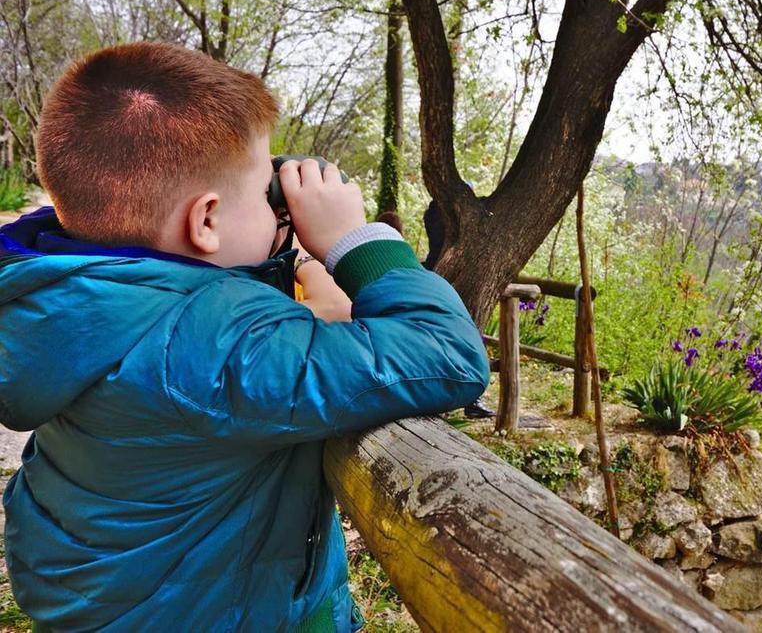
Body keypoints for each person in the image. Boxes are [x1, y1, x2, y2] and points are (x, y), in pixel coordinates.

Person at [0, 42, 490, 632]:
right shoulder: (216, 344)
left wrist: (286, 254)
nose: (280, 205)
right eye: (267, 192)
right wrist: (355, 239)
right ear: (205, 220)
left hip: (114, 604)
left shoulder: (73, 289)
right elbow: (448, 353)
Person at [422, 199, 496, 419]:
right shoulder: (442, 217)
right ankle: (468, 399)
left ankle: (468, 398)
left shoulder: (439, 215)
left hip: (437, 278)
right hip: (443, 282)